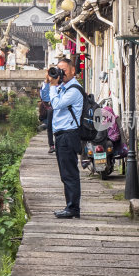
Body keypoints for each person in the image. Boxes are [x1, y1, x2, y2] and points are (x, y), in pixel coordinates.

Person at [45, 58, 84, 219]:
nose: (61, 73)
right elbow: (49, 99)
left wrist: (53, 86)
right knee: (65, 174)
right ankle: (70, 206)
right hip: (62, 136)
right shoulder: (64, 88)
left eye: (64, 70)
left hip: (68, 135)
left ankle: (73, 208)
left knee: (69, 174)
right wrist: (52, 82)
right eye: (58, 69)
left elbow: (56, 105)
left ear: (73, 71)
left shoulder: (74, 90)